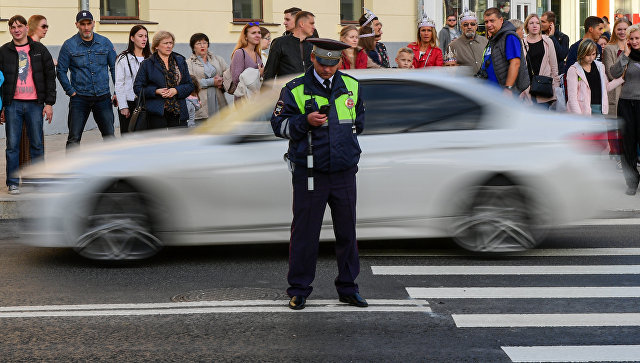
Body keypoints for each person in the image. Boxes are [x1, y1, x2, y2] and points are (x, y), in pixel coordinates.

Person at [270, 38, 366, 311]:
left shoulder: (352, 86)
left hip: (344, 171)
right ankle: (299, 289)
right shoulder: (294, 89)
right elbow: (278, 125)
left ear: (339, 62)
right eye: (323, 63)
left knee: (347, 233)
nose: (327, 69)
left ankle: (348, 288)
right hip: (310, 172)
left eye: (333, 63)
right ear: (313, 59)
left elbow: (358, 123)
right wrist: (304, 122)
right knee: (305, 234)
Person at [0, 15, 56, 195]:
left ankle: (38, 179)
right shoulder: (3, 51)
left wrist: (49, 103)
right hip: (12, 104)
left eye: (19, 26)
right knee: (12, 145)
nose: (16, 30)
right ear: (10, 30)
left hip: (34, 104)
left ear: (25, 28)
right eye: (12, 27)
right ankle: (13, 182)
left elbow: (49, 76)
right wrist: (1, 107)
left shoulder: (39, 49)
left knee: (37, 144)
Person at [57, 11, 117, 148]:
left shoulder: (105, 42)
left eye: (89, 23)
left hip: (103, 97)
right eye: (82, 24)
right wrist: (70, 91)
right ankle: (71, 169)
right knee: (74, 138)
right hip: (80, 98)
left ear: (93, 23)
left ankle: (114, 167)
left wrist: (117, 91)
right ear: (77, 25)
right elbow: (60, 71)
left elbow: (114, 68)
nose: (86, 27)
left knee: (109, 136)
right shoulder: (69, 45)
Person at [133, 30, 194, 129]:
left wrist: (176, 90)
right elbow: (137, 88)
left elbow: (190, 85)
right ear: (156, 46)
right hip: (156, 113)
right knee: (158, 143)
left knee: (178, 143)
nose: (169, 46)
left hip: (178, 112)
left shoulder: (180, 61)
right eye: (165, 43)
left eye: (171, 43)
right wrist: (156, 91)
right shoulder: (147, 63)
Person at [611, 24, 640, 195]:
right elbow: (614, 73)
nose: (634, 41)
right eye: (632, 38)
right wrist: (625, 56)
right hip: (626, 104)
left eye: (637, 38)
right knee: (627, 145)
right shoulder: (625, 55)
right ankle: (631, 182)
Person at [566, 39, 623, 117]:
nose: (591, 58)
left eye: (593, 54)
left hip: (600, 109)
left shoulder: (600, 66)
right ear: (582, 53)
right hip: (582, 111)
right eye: (588, 55)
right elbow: (572, 99)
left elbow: (606, 87)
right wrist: (579, 117)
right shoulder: (573, 70)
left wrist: (622, 78)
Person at [479, 7, 529, 95]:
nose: (488, 24)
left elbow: (515, 63)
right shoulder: (495, 38)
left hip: (504, 94)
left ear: (501, 20)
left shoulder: (509, 36)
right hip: (491, 92)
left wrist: (508, 88)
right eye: (486, 22)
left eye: (492, 21)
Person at [114, 25, 151, 135]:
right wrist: (123, 106)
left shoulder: (150, 58)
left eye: (146, 36)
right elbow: (119, 84)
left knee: (147, 138)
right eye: (140, 36)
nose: (144, 39)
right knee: (129, 137)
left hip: (147, 102)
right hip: (130, 103)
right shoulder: (123, 58)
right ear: (132, 38)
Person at [186, 33, 228, 122]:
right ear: (193, 47)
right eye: (198, 43)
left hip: (218, 100)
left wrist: (222, 81)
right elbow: (190, 82)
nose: (202, 46)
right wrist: (212, 82)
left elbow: (228, 74)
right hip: (201, 102)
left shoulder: (217, 59)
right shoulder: (189, 63)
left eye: (205, 43)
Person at [521, 13, 559, 107]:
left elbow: (554, 66)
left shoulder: (547, 42)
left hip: (544, 88)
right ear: (527, 26)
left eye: (537, 23)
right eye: (531, 23)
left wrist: (555, 87)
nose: (534, 25)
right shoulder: (522, 43)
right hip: (527, 88)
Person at [264, 11, 314, 80]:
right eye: (311, 24)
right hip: (287, 89)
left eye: (287, 19)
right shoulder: (280, 43)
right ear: (302, 24)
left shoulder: (313, 44)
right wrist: (265, 90)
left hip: (309, 89)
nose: (313, 27)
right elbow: (269, 73)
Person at [603, 18, 632, 119]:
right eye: (619, 29)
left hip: (633, 94)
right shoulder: (608, 48)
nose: (622, 32)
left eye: (625, 29)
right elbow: (611, 74)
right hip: (616, 94)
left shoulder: (635, 47)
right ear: (614, 30)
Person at [230, 23, 264, 101]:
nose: (257, 35)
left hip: (255, 99)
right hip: (243, 100)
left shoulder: (257, 54)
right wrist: (259, 73)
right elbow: (236, 79)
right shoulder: (240, 53)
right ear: (245, 37)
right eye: (253, 33)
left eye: (259, 32)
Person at [449, 9, 488, 74]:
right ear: (461, 26)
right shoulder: (453, 46)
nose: (469, 27)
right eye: (465, 25)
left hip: (485, 83)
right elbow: (450, 70)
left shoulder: (485, 42)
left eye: (472, 24)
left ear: (476, 26)